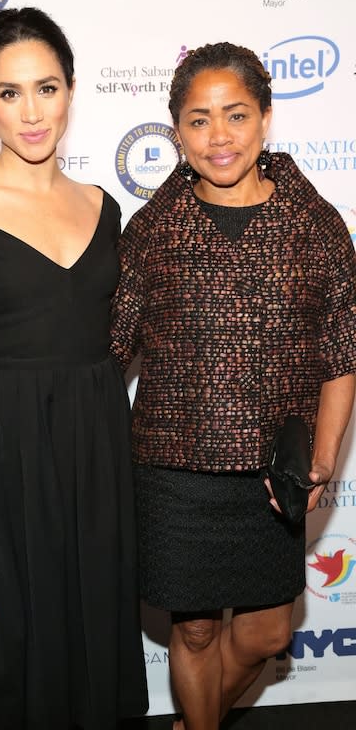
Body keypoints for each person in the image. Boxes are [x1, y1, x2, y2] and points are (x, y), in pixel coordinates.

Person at [0, 7, 148, 730]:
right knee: (5, 660)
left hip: (97, 451)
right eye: (9, 93)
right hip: (0, 455)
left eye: (46, 87)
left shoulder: (105, 209)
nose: (31, 111)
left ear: (71, 89)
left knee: (90, 640)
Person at [110, 42, 356, 730]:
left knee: (267, 636)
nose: (219, 137)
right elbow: (104, 340)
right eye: (198, 120)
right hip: (171, 471)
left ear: (266, 118)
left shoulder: (315, 223)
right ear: (178, 130)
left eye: (236, 115)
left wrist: (323, 460)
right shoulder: (153, 229)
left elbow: (342, 353)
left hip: (272, 477)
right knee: (191, 633)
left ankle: (198, 720)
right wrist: (4, 334)